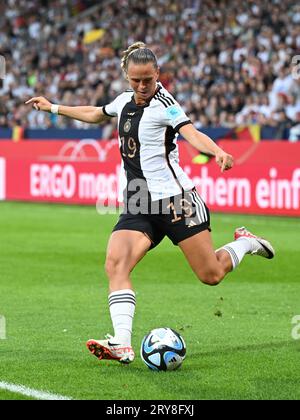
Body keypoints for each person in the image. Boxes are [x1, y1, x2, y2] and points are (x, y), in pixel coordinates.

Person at [25, 42, 275, 365]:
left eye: (148, 80)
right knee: (116, 263)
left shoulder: (166, 105)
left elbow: (191, 133)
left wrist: (216, 151)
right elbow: (96, 113)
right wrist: (53, 107)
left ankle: (246, 243)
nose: (142, 87)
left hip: (176, 201)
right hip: (139, 202)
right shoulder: (123, 102)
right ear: (126, 77)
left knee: (210, 273)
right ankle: (121, 343)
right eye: (136, 81)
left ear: (158, 74)